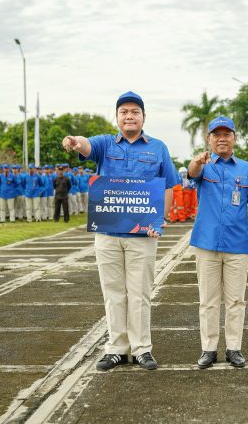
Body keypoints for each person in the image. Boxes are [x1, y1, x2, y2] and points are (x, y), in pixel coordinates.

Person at [62, 90, 178, 372]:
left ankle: (142, 349)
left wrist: (159, 220)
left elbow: (169, 186)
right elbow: (86, 146)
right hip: (108, 233)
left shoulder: (158, 148)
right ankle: (116, 349)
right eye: (124, 112)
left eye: (134, 112)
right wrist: (76, 142)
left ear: (143, 117)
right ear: (117, 117)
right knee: (113, 292)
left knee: (140, 293)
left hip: (142, 235)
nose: (129, 116)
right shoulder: (105, 144)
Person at [187, 116, 248, 369]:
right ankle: (208, 349)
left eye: (227, 134)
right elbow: (191, 173)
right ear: (209, 139)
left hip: (236, 244)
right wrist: (197, 161)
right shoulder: (204, 166)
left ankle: (234, 348)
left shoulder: (246, 169)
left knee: (236, 300)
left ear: (234, 138)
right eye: (216, 134)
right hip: (207, 243)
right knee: (208, 300)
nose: (222, 138)